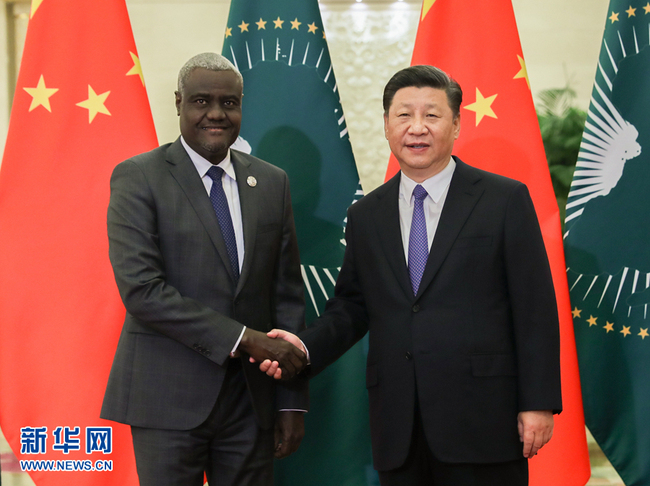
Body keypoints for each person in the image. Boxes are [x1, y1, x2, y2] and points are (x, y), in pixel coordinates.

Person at [260, 65, 562, 485]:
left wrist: (539, 403)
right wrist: (304, 347)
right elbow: (352, 307)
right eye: (404, 115)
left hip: (483, 421)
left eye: (432, 115)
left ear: (456, 124)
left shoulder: (503, 200)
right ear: (387, 125)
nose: (416, 128)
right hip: (399, 424)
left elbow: (535, 309)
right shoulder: (366, 214)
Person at [100, 52, 308, 486]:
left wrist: (290, 402)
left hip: (252, 403)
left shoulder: (272, 182)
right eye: (200, 101)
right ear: (178, 103)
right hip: (167, 399)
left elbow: (285, 295)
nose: (216, 114)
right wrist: (245, 339)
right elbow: (142, 291)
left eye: (229, 103)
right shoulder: (138, 177)